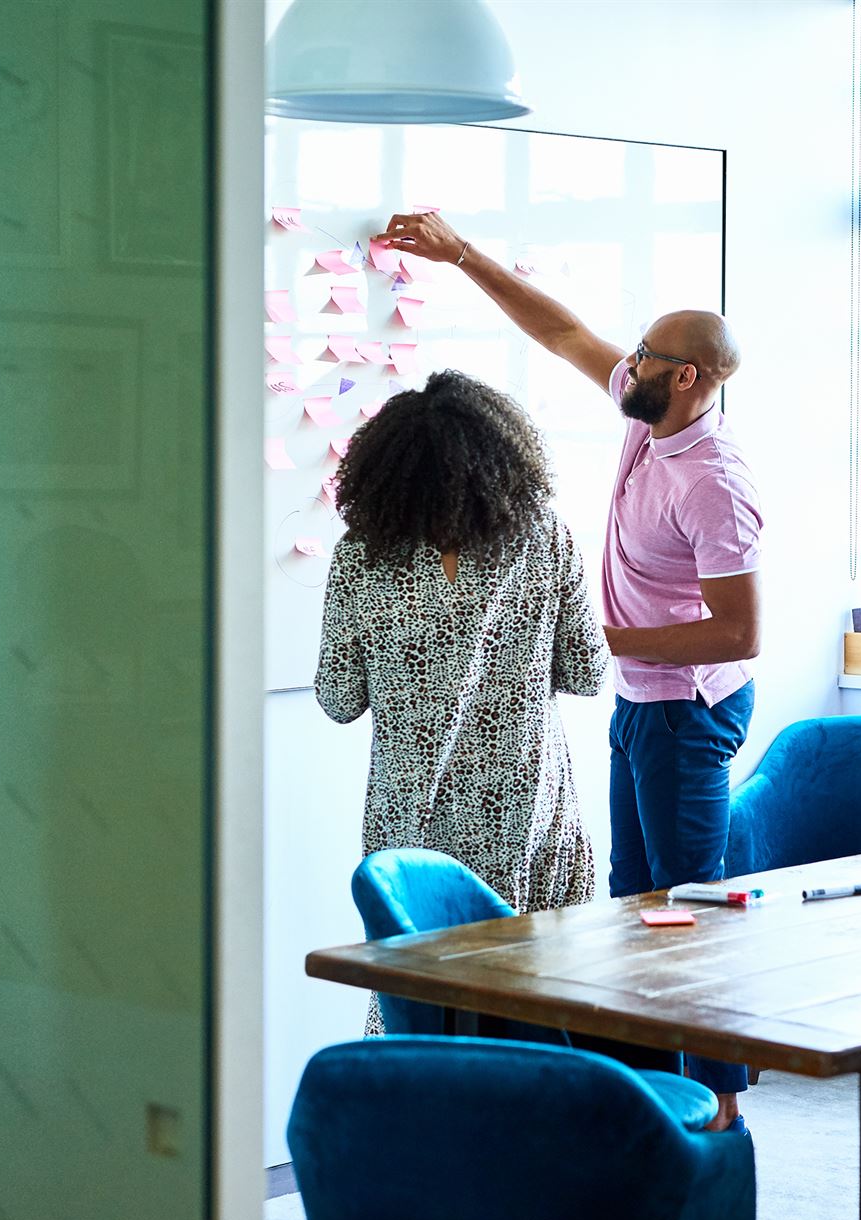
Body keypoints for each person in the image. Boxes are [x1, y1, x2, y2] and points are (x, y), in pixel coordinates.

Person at [380, 210, 762, 1132]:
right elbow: (558, 332)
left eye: (645, 353)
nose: (624, 361)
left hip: (687, 710)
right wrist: (460, 252)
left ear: (689, 376)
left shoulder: (713, 480)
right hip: (641, 705)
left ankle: (717, 1109)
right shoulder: (644, 419)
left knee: (688, 912)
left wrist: (602, 640)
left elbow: (740, 633)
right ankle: (644, 1098)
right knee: (637, 911)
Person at [315, 370, 608, 1035]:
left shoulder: (360, 557)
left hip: (414, 828)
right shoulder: (544, 536)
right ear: (502, 459)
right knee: (538, 999)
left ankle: (426, 1129)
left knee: (417, 1002)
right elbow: (590, 671)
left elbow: (337, 698)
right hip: (529, 812)